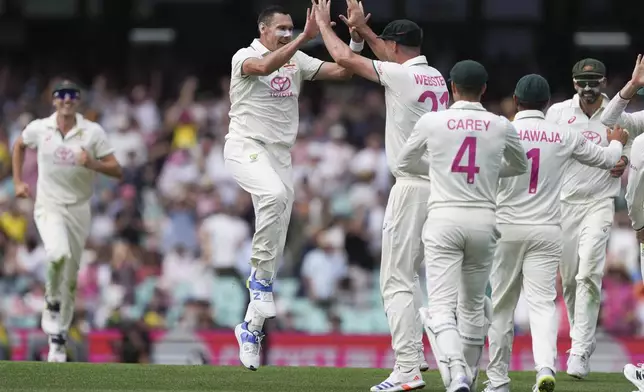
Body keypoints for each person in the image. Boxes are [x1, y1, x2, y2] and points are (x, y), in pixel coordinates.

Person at [312, 0, 447, 388]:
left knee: (396, 279)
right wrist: (365, 31)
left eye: (386, 46)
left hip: (411, 187)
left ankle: (406, 368)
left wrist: (326, 25)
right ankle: (418, 356)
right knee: (419, 278)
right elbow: (388, 59)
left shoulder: (401, 77)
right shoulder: (434, 76)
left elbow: (342, 58)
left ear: (396, 49)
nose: (382, 51)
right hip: (439, 188)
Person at [225, 4, 359, 371]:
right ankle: (257, 279)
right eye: (281, 28)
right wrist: (303, 37)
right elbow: (265, 67)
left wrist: (357, 37)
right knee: (275, 195)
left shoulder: (296, 59)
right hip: (245, 146)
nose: (286, 32)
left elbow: (342, 72)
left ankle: (251, 329)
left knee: (280, 228)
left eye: (290, 27)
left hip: (280, 156)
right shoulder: (245, 56)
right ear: (263, 29)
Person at [486, 74, 628, 392]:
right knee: (542, 304)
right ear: (548, 103)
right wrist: (617, 140)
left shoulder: (501, 130)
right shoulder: (562, 133)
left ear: (516, 100)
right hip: (548, 229)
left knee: (502, 305)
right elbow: (606, 159)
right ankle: (545, 368)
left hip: (507, 227)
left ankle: (497, 380)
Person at [396, 60, 528, 392]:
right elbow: (520, 165)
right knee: (472, 305)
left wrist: (440, 170)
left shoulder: (433, 121)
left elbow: (403, 162)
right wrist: (487, 172)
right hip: (483, 220)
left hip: (444, 218)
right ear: (484, 89)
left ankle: (455, 370)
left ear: (452, 87)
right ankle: (467, 373)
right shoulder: (500, 125)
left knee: (440, 307)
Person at [11, 80, 122, 362]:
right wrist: (18, 182)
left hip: (79, 209)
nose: (67, 100)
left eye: (72, 95)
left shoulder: (92, 132)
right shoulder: (40, 128)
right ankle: (50, 302)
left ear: (79, 100)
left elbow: (116, 169)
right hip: (48, 205)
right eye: (61, 95)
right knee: (57, 254)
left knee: (71, 278)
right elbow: (19, 145)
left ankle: (58, 340)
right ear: (53, 100)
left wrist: (93, 163)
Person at [544, 58, 629, 378]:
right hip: (565, 204)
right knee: (569, 279)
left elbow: (628, 150)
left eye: (594, 82)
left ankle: (579, 348)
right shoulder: (558, 114)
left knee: (589, 273)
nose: (588, 88)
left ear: (605, 83)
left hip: (599, 202)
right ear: (573, 82)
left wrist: (621, 160)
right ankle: (582, 336)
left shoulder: (616, 114)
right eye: (582, 82)